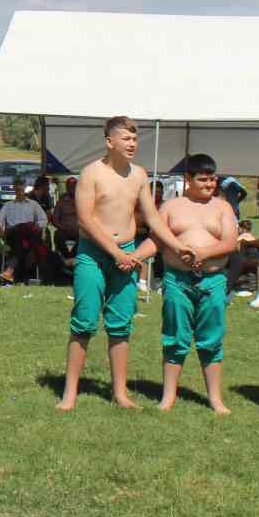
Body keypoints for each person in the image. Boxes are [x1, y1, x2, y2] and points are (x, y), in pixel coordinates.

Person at [57, 116, 191, 411]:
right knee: (84, 322)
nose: (132, 144)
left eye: (134, 139)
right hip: (93, 254)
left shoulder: (139, 175)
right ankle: (69, 393)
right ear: (109, 142)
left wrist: (178, 245)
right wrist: (115, 253)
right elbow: (85, 220)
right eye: (126, 139)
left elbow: (153, 217)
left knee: (120, 325)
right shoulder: (91, 173)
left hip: (128, 253)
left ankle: (120, 393)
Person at [154, 154, 238, 413]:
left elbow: (230, 243)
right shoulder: (171, 206)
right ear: (187, 179)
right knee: (175, 338)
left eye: (213, 179)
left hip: (212, 281)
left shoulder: (222, 207)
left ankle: (215, 398)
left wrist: (204, 253)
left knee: (211, 339)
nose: (209, 184)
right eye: (203, 180)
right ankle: (168, 397)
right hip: (177, 280)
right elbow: (159, 235)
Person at [0, 178, 48, 284]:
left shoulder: (33, 204)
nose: (19, 189)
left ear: (24, 188)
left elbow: (44, 220)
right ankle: (21, 274)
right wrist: (0, 228)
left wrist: (36, 226)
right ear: (14, 188)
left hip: (27, 236)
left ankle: (10, 270)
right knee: (21, 235)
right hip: (12, 234)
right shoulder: (8, 205)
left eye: (21, 186)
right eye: (17, 186)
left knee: (24, 239)